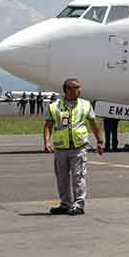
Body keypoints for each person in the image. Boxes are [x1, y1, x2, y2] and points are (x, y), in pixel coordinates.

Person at [43, 78, 104, 216]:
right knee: (62, 178)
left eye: (79, 87)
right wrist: (47, 142)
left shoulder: (85, 105)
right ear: (67, 90)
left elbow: (93, 124)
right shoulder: (54, 106)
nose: (79, 90)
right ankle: (65, 204)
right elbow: (48, 125)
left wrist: (100, 141)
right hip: (61, 148)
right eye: (76, 87)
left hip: (79, 147)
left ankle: (78, 205)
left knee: (78, 176)